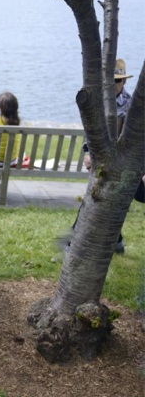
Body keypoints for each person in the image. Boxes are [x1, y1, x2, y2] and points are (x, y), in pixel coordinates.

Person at [75, 59, 135, 253]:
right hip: (98, 159)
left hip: (120, 161)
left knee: (101, 198)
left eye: (117, 81)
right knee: (99, 197)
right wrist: (88, 153)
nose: (113, 85)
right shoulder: (98, 102)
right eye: (110, 81)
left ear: (124, 82)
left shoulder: (130, 106)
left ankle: (71, 241)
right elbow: (90, 131)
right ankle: (116, 242)